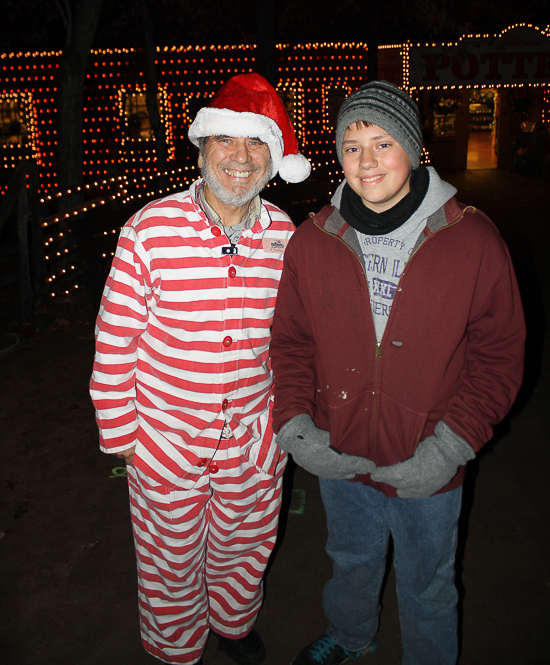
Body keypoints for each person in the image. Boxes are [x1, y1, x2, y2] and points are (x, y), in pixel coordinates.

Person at [270, 81, 525, 665]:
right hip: (340, 454)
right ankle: (352, 635)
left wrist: (450, 446)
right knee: (350, 561)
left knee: (428, 583)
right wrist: (296, 428)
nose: (366, 162)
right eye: (352, 146)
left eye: (383, 143)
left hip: (429, 463)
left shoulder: (473, 240)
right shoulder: (313, 241)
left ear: (413, 149)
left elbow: (500, 353)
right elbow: (289, 343)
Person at [89, 72, 311, 665]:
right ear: (202, 145)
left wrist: (286, 424)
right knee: (171, 561)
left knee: (246, 547)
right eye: (227, 141)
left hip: (253, 444)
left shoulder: (286, 236)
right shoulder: (149, 230)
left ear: (274, 156)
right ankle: (176, 649)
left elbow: (295, 341)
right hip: (163, 443)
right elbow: (114, 342)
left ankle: (233, 625)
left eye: (257, 143)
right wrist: (126, 441)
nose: (240, 158)